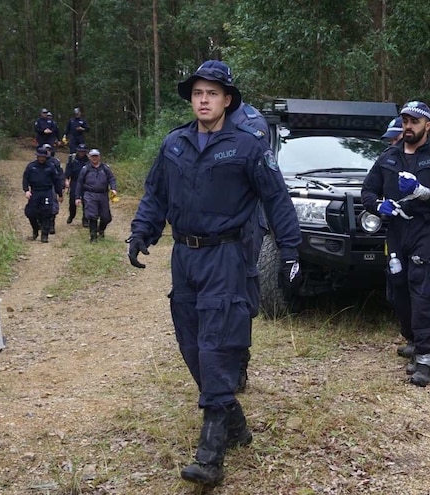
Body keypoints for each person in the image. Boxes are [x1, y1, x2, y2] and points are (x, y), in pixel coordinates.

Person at [125, 59, 301, 485]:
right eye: (197, 94)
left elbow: (276, 199)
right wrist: (140, 233)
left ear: (227, 101)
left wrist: (291, 249)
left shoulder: (247, 147)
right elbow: (155, 195)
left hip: (226, 256)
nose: (203, 100)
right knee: (190, 342)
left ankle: (211, 453)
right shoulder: (174, 145)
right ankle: (234, 421)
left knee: (217, 345)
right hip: (184, 256)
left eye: (212, 94)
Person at [361, 100, 430, 385]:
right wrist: (378, 205)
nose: (408, 126)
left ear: (427, 125)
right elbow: (367, 190)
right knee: (398, 291)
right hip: (396, 231)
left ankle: (426, 360)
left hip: (425, 231)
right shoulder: (388, 157)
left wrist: (421, 192)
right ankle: (414, 340)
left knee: (422, 292)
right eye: (405, 120)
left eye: (414, 121)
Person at [229, 100, 272, 394]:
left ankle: (238, 363)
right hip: (209, 222)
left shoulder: (251, 120)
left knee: (240, 293)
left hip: (245, 222)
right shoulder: (203, 120)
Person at [74, 148, 117, 242]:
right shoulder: (85, 169)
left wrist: (113, 188)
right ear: (89, 157)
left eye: (96, 156)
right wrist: (77, 197)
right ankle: (93, 236)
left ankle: (101, 230)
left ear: (99, 157)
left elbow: (112, 179)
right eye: (92, 156)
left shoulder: (105, 168)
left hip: (103, 194)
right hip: (90, 194)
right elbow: (79, 183)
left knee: (106, 217)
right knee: (92, 215)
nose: (94, 158)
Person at [22, 146, 64, 243]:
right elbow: (25, 179)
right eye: (40, 156)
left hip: (47, 191)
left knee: (46, 213)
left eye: (43, 157)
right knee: (30, 212)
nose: (41, 158)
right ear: (37, 156)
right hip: (35, 191)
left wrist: (59, 194)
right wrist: (26, 190)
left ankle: (44, 234)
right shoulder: (31, 166)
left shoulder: (50, 166)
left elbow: (56, 181)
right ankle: (35, 229)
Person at [64, 143, 90, 225]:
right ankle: (72, 215)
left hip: (86, 182)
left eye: (83, 151)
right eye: (80, 151)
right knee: (72, 201)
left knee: (86, 201)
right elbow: (68, 170)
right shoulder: (72, 159)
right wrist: (66, 180)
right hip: (75, 181)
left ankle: (85, 219)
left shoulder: (89, 160)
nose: (82, 153)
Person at [41, 143, 64, 235]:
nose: (47, 152)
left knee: (53, 205)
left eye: (49, 150)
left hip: (53, 186)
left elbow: (60, 174)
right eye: (46, 150)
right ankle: (42, 223)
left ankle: (51, 225)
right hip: (41, 186)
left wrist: (61, 186)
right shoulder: (38, 162)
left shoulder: (55, 162)